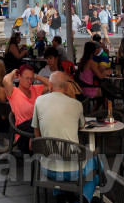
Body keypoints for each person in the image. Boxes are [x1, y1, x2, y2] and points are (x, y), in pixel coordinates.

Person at [32, 71, 98, 202]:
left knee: (59, 152)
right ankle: (82, 200)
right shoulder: (76, 104)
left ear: (50, 86)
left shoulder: (39, 101)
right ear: (67, 87)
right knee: (97, 168)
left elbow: (37, 133)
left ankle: (61, 196)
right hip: (74, 171)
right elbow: (81, 126)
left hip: (48, 168)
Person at [3, 64, 50, 152]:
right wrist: (13, 72)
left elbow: (52, 85)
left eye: (31, 79)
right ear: (19, 77)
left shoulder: (35, 89)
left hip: (38, 129)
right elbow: (6, 80)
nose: (29, 81)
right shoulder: (13, 92)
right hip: (24, 134)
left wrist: (36, 76)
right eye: (26, 78)